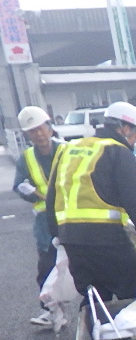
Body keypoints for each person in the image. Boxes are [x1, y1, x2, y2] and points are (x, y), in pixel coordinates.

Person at [45, 100, 136, 304]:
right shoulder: (118, 151)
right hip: (106, 237)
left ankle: (96, 333)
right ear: (125, 128)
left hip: (71, 239)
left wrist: (57, 235)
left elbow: (52, 196)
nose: (135, 142)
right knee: (132, 293)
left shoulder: (68, 148)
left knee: (94, 297)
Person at [11, 106, 64, 327]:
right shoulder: (27, 158)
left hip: (73, 217)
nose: (39, 134)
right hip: (45, 223)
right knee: (47, 269)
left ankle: (98, 308)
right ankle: (52, 312)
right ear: (27, 135)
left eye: (41, 129)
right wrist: (30, 191)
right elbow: (19, 185)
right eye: (32, 131)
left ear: (50, 128)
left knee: (87, 266)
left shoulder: (67, 150)